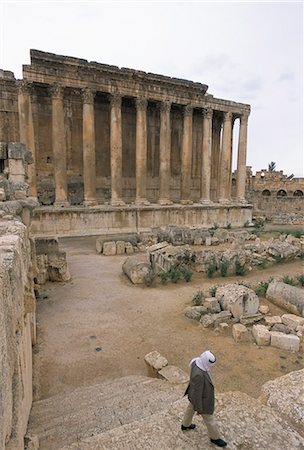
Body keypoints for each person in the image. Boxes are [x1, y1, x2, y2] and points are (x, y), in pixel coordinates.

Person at [181, 350, 227, 448]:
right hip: (202, 399)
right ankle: (215, 438)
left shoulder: (196, 362)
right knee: (209, 419)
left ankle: (185, 424)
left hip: (193, 395)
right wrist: (200, 408)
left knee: (190, 409)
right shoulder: (199, 375)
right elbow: (198, 393)